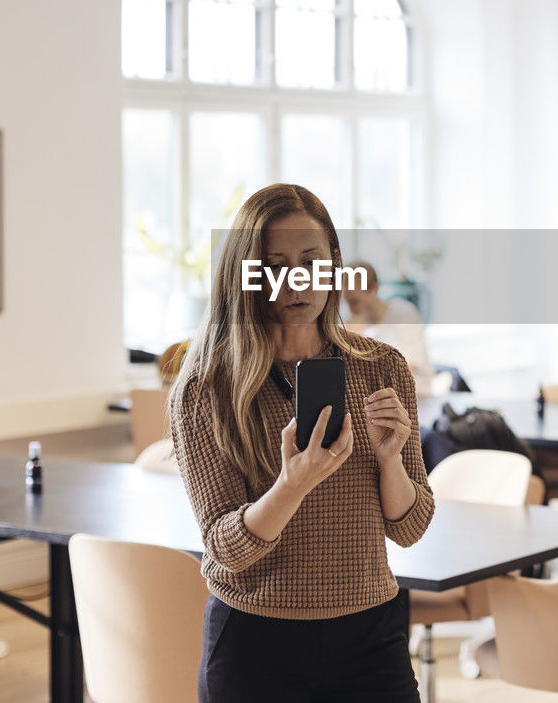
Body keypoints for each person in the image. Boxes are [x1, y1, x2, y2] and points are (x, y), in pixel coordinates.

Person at [168, 183, 434, 703]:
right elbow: (224, 547)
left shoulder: (382, 368)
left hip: (371, 636)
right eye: (273, 265)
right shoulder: (205, 388)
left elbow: (411, 526)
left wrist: (390, 462)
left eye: (311, 260)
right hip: (257, 642)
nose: (296, 281)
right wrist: (292, 485)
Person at [342, 261, 435, 394]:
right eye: (347, 301)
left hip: (415, 394)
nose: (352, 309)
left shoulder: (404, 314)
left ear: (375, 289)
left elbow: (406, 367)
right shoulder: (351, 323)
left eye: (354, 302)